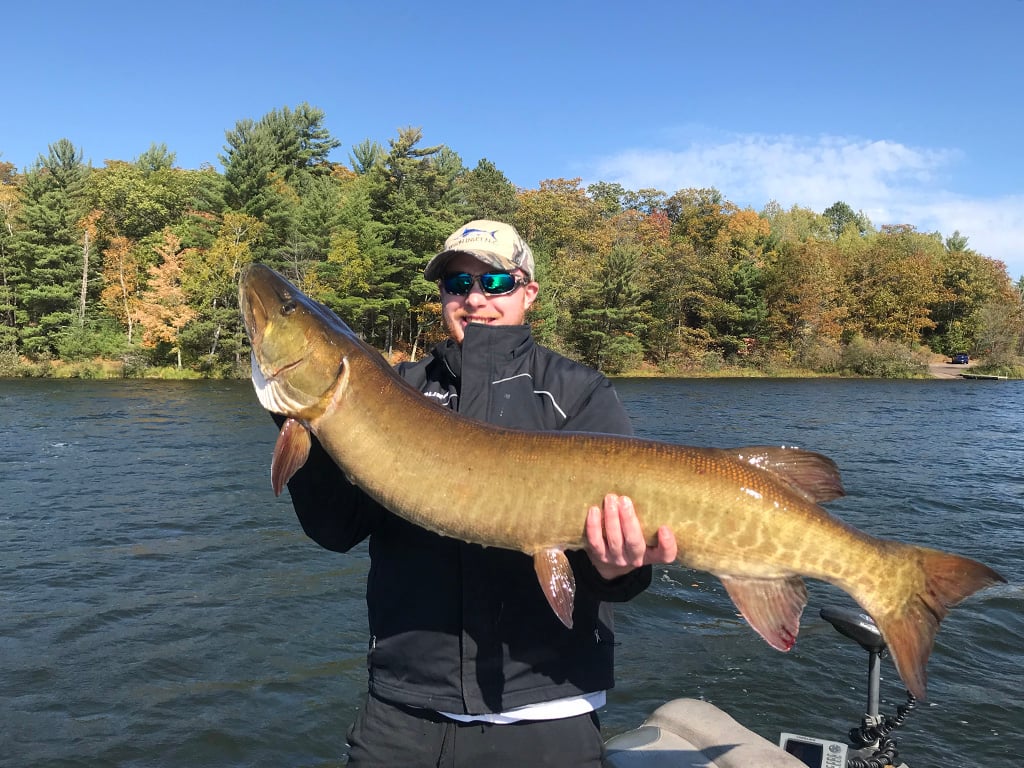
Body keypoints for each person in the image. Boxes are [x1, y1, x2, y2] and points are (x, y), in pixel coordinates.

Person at [278, 219, 678, 767]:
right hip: (403, 710)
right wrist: (298, 420)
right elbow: (335, 528)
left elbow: (623, 568)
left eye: (495, 284)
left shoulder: (578, 393)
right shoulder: (400, 389)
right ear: (443, 297)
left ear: (528, 294)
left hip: (546, 709)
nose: (475, 300)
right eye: (457, 285)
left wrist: (615, 569)